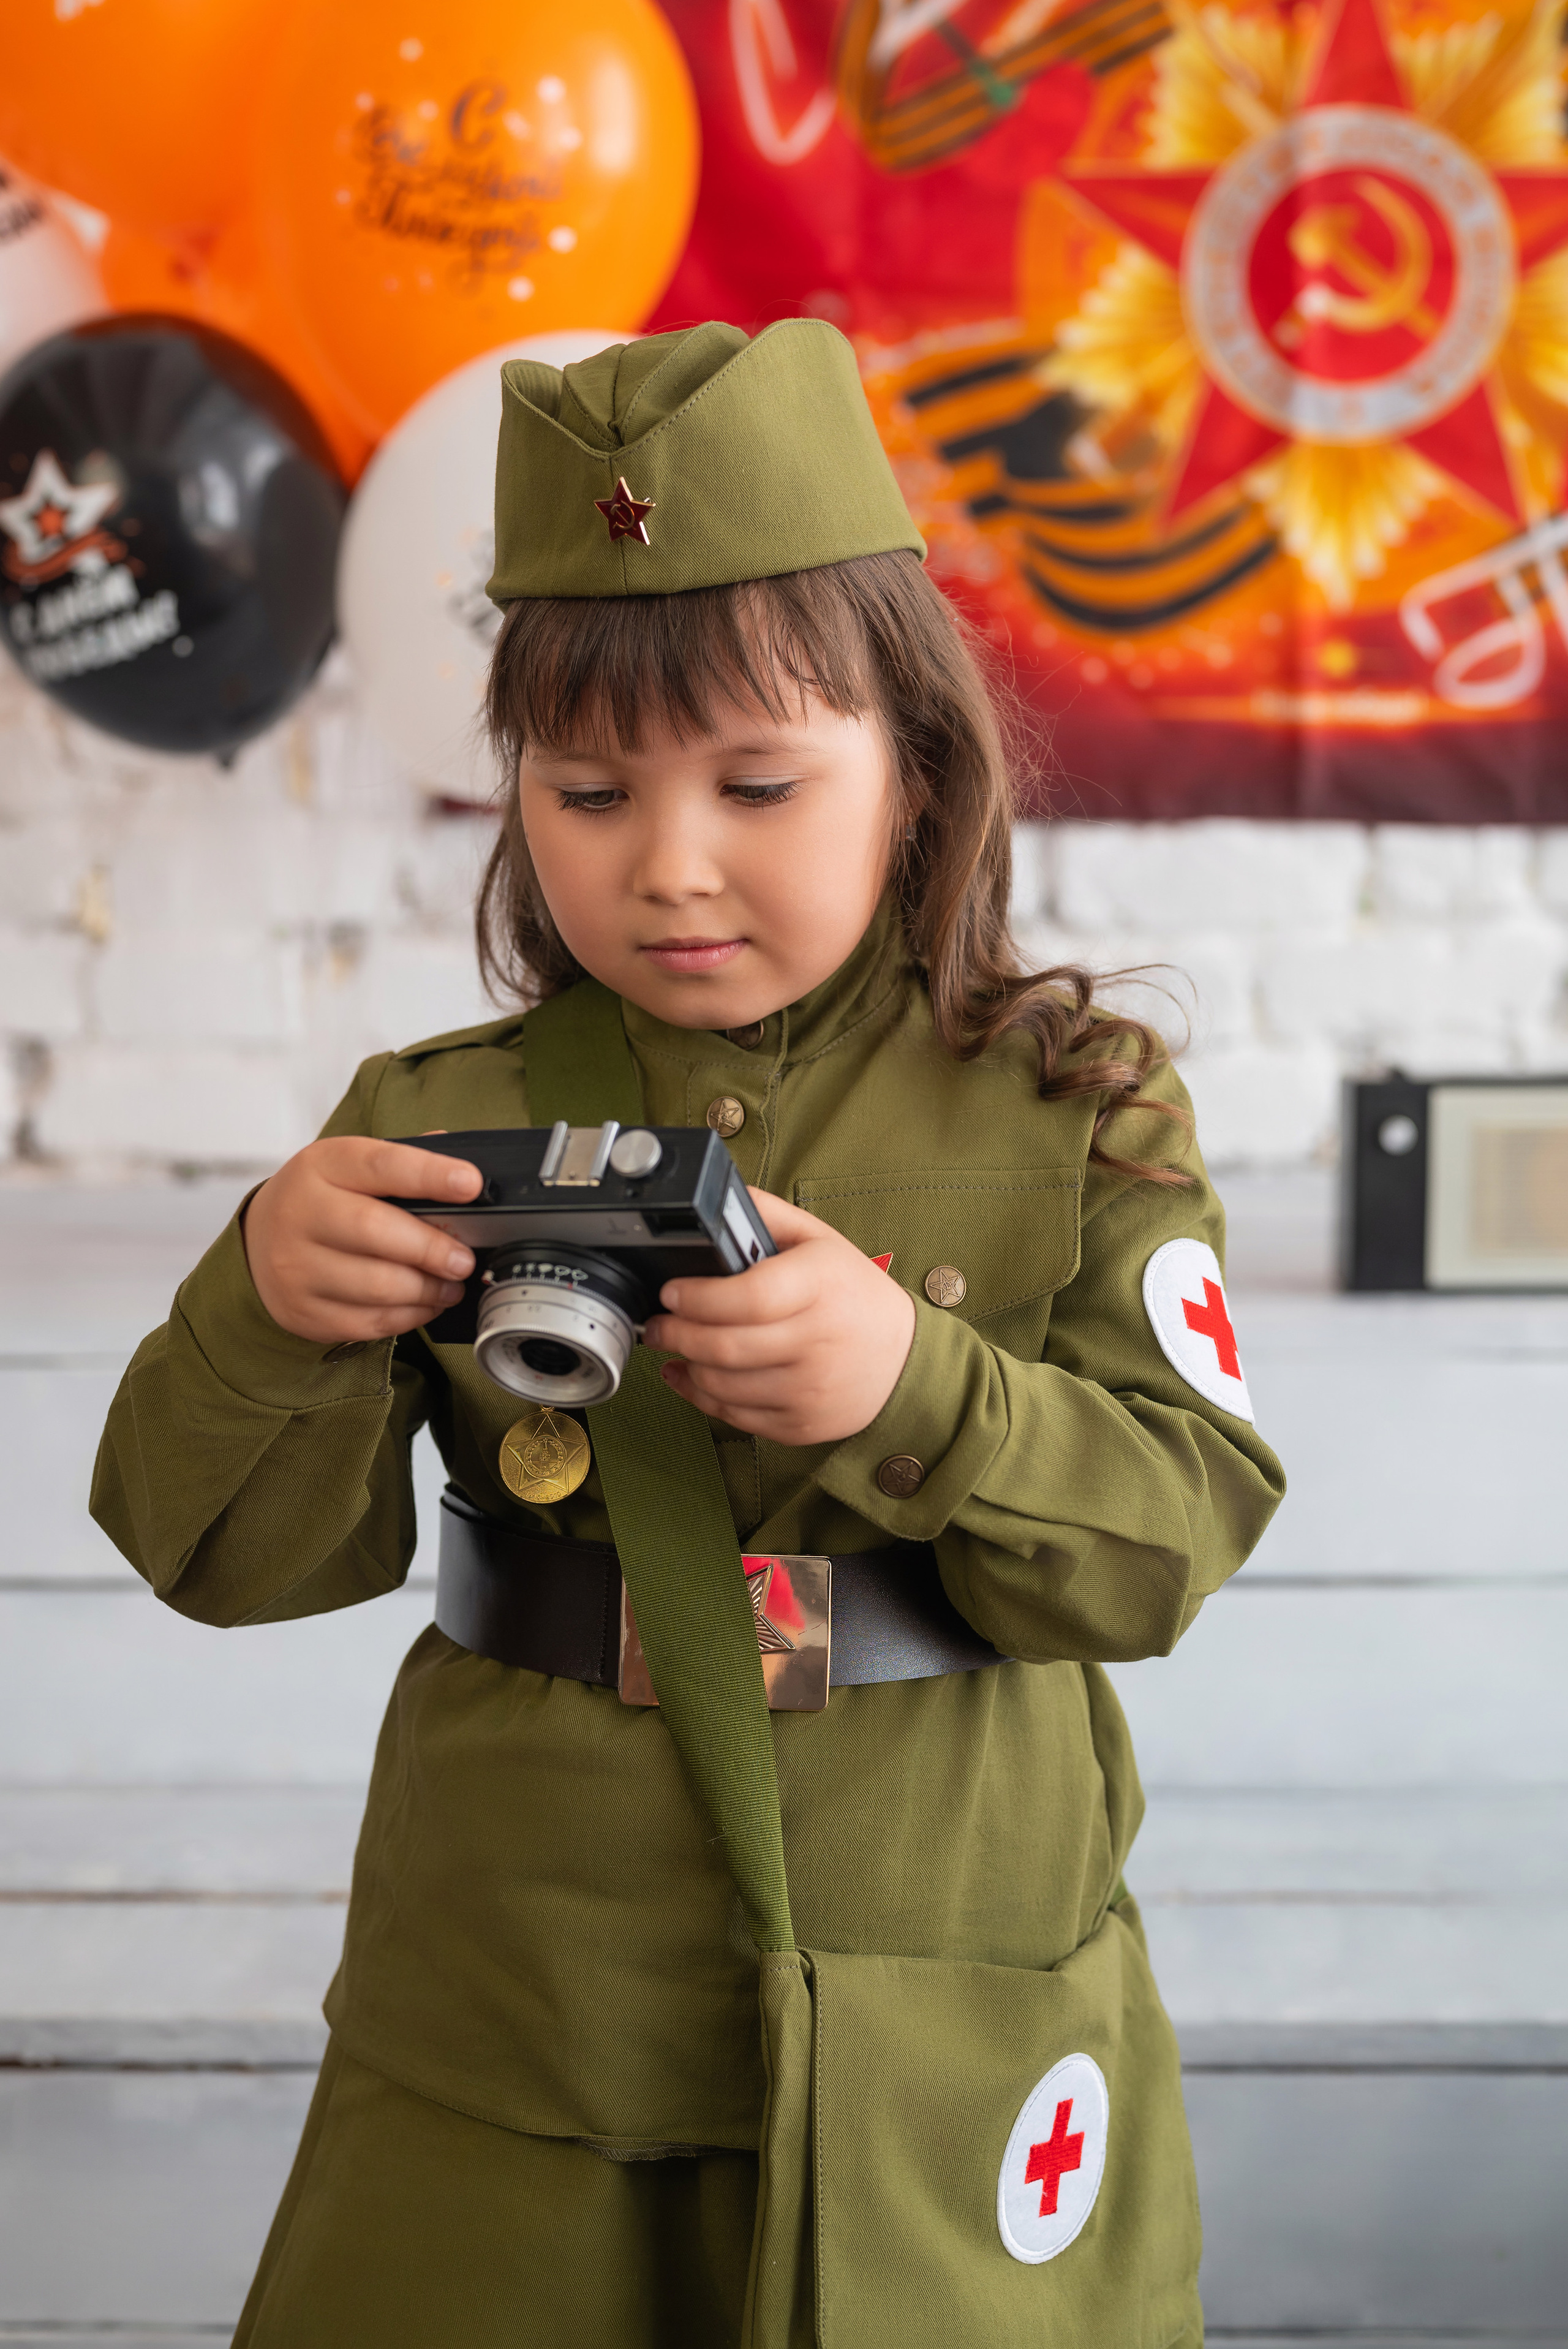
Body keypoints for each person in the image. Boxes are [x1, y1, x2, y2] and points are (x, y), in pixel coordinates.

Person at [91, 320, 1284, 2348]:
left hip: (949, 1965)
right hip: (519, 1996)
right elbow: (218, 1554)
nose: (669, 863)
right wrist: (268, 1300)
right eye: (586, 786)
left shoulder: (1076, 1109)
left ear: (915, 761)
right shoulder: (427, 1117)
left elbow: (1175, 1534)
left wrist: (919, 1387)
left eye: (758, 781)